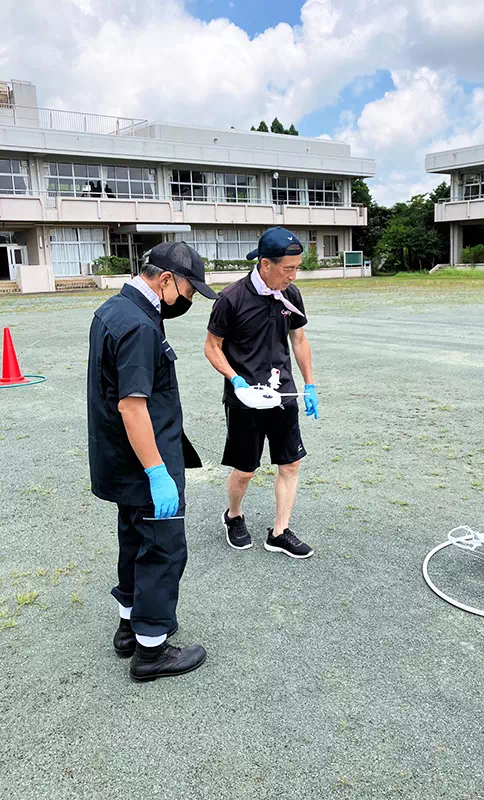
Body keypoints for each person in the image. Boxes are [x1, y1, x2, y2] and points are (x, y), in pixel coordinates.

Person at [87, 242, 217, 682]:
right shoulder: (140, 326)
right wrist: (159, 472)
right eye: (188, 290)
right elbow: (133, 405)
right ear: (165, 280)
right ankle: (151, 650)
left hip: (122, 460)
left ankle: (128, 629)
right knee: (162, 550)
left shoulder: (111, 310)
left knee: (133, 541)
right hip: (147, 462)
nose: (190, 299)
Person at [204, 227, 319, 559]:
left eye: (297, 268)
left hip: (282, 395)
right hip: (246, 398)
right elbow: (212, 347)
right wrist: (235, 379)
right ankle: (234, 516)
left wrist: (309, 383)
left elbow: (299, 339)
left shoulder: (291, 295)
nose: (293, 275)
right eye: (288, 269)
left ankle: (279, 532)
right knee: (245, 469)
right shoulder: (232, 298)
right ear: (265, 264)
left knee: (291, 463)